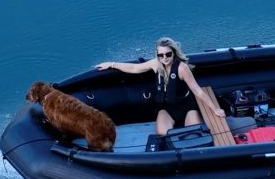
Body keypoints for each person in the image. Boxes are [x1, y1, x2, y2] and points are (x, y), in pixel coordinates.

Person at [96, 37, 225, 135]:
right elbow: (134, 68)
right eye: (161, 55)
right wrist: (112, 64)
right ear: (157, 55)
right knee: (163, 135)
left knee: (193, 134)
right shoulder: (155, 64)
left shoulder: (182, 68)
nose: (164, 58)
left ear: (173, 53)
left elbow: (197, 90)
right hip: (167, 107)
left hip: (185, 105)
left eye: (168, 54)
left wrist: (215, 109)